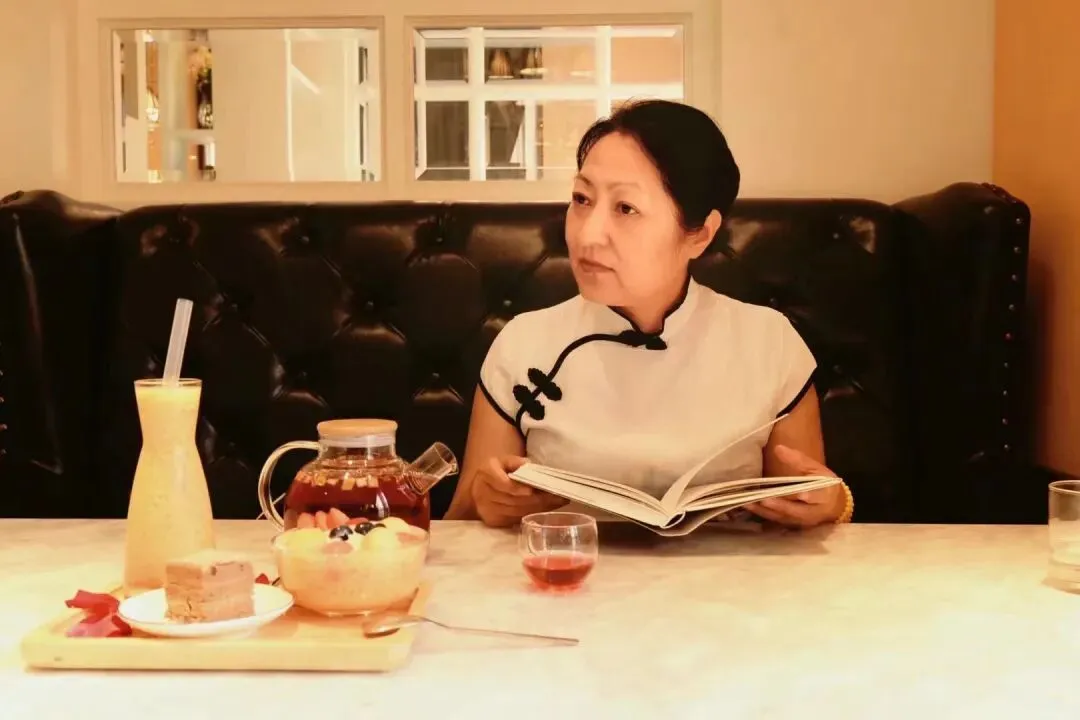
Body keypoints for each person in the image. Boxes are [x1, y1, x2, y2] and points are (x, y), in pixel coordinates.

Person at [445, 100, 853, 529]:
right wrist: (486, 502)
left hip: (727, 571)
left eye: (626, 208)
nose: (587, 234)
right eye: (581, 199)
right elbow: (460, 524)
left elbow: (805, 513)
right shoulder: (523, 343)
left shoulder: (768, 343)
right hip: (564, 568)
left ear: (700, 235)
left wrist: (830, 504)